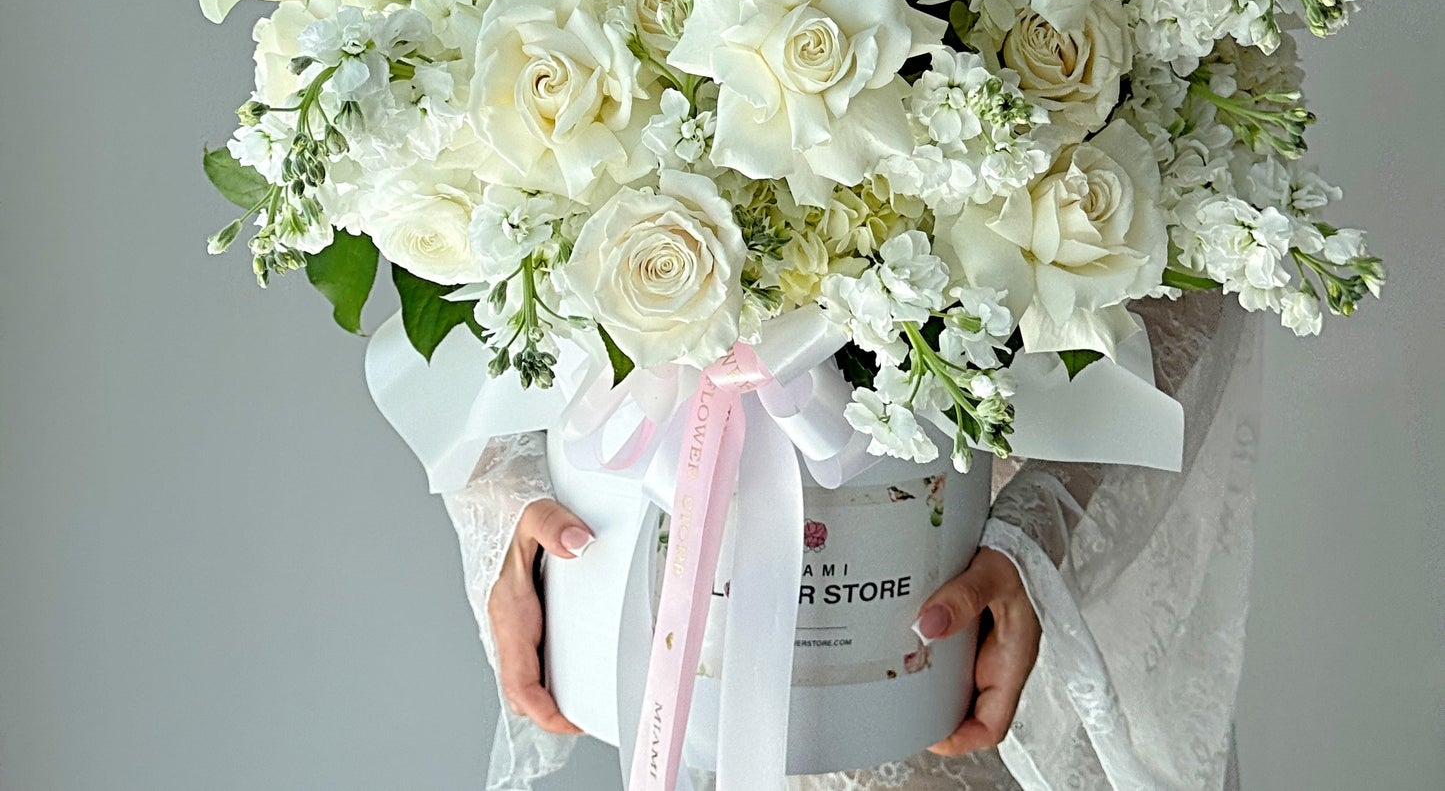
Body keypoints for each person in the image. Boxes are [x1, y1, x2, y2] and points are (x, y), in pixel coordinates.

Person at [446, 290, 1259, 790]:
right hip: (663, 521)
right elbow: (438, 226)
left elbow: (1191, 237)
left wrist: (1036, 526)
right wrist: (508, 494)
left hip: (950, 576)